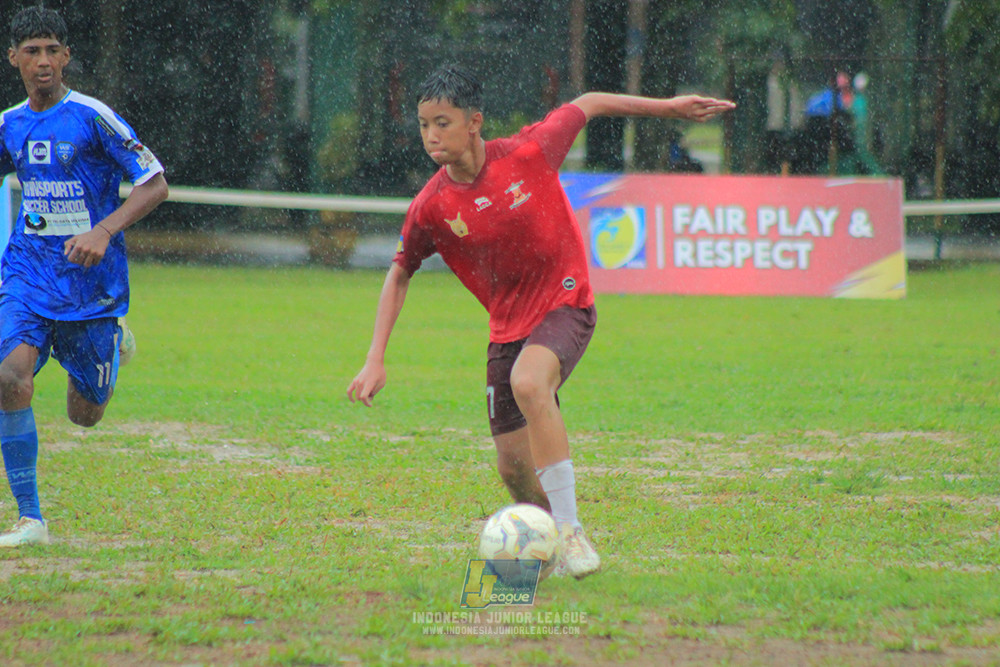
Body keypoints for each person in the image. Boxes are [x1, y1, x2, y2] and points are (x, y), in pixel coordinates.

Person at [347, 63, 734, 578]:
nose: (431, 136)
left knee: (529, 382)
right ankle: (549, 539)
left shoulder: (531, 150)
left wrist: (668, 108)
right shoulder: (432, 206)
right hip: (508, 328)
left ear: (474, 122)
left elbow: (591, 100)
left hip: (566, 302)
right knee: (512, 468)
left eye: (443, 122)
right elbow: (399, 273)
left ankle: (572, 532)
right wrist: (375, 359)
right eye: (423, 125)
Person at [0, 7, 168, 547]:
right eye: (32, 51)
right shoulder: (8, 124)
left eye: (52, 50)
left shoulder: (93, 116)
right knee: (8, 378)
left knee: (85, 415)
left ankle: (111, 345)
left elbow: (154, 183)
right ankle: (31, 519)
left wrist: (102, 231)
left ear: (67, 56)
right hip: (27, 272)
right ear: (14, 59)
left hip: (91, 286)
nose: (43, 61)